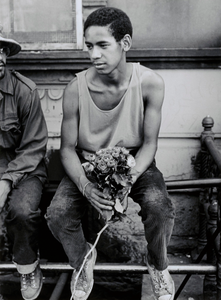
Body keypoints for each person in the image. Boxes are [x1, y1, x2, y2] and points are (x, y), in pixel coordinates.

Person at [46, 7, 176, 300]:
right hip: (87, 162)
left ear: (125, 44)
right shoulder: (74, 89)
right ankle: (83, 261)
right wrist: (87, 187)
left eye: (102, 45)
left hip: (134, 159)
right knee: (57, 215)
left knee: (160, 209)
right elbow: (66, 149)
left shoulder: (151, 83)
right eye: (89, 46)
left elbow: (150, 144)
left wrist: (127, 179)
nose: (93, 55)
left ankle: (158, 264)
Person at [0, 28, 48, 300]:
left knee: (22, 210)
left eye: (2, 50)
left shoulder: (25, 91)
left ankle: (28, 267)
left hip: (26, 168)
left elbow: (34, 147)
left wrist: (6, 182)